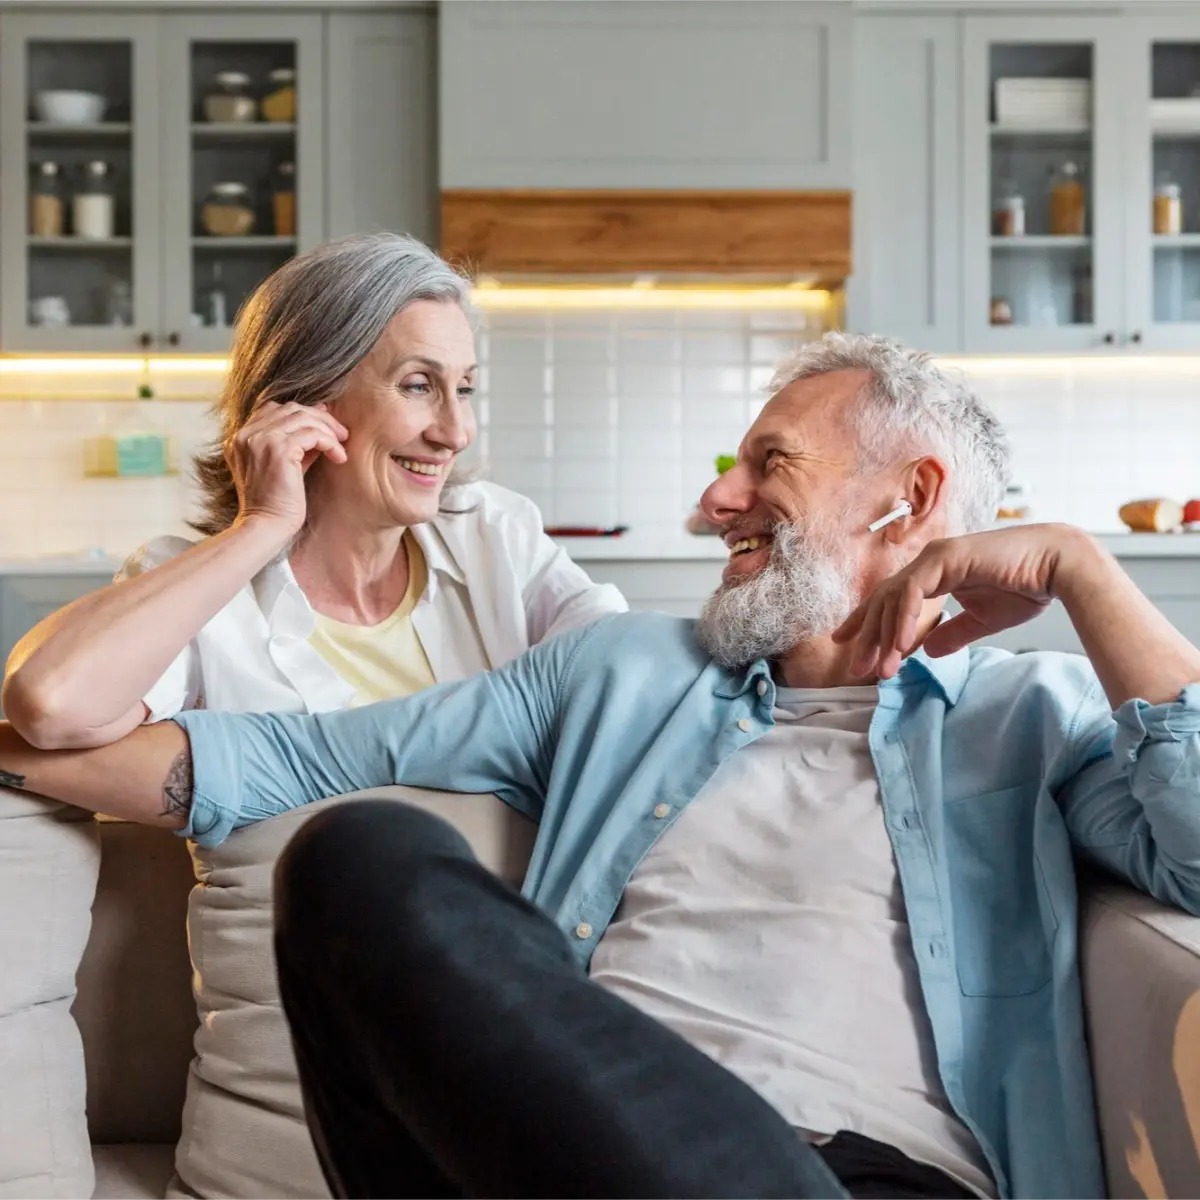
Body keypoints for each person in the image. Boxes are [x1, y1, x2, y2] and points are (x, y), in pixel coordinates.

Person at [5, 333, 1200, 1200]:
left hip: (855, 1179)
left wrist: (1085, 575)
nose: (714, 500)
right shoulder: (617, 672)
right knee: (359, 856)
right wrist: (27, 737)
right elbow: (280, 758)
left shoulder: (1037, 717)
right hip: (567, 1151)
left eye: (766, 463)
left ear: (910, 502)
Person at [0, 233, 625, 749]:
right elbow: (49, 703)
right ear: (306, 396)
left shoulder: (493, 532)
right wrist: (262, 524)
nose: (455, 432)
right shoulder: (199, 589)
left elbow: (628, 670)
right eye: (416, 386)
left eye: (464, 387)